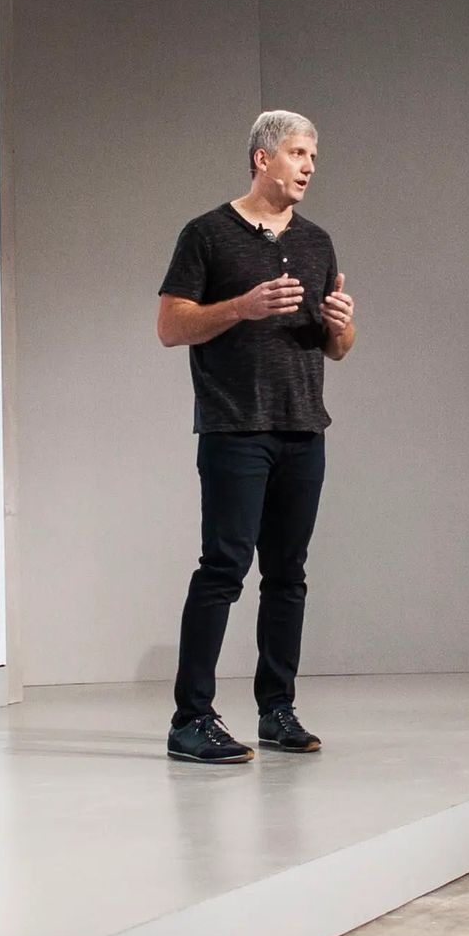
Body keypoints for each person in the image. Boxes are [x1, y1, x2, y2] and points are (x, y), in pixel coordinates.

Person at [154, 110, 358, 766]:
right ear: (261, 159)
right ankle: (191, 719)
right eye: (298, 153)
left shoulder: (320, 242)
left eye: (314, 158)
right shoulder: (207, 235)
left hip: (304, 428)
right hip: (235, 428)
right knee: (224, 569)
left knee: (288, 575)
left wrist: (340, 324)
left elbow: (339, 349)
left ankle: (277, 709)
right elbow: (170, 324)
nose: (308, 167)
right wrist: (241, 306)